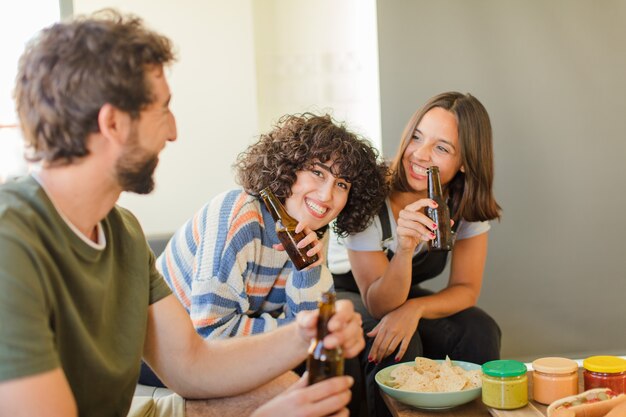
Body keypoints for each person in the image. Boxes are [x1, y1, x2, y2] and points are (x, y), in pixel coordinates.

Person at [0, 11, 365, 417]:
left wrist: (307, 334)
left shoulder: (123, 232)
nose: (173, 131)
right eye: (163, 109)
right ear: (114, 123)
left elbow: (192, 363)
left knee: (319, 404)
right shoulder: (10, 242)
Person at [328, 91, 503, 417]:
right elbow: (379, 303)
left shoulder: (463, 204)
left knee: (480, 328)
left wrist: (415, 308)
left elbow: (466, 289)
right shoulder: (369, 194)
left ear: (465, 161)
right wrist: (405, 248)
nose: (419, 155)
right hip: (350, 290)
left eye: (441, 147)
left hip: (402, 292)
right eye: (416, 138)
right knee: (398, 345)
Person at [156, 113, 388, 341]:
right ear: (288, 168)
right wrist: (301, 331)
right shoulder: (238, 217)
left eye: (341, 184)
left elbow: (313, 330)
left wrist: (309, 272)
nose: (327, 195)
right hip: (157, 347)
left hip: (224, 353)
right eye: (318, 172)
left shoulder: (313, 230)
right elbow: (212, 333)